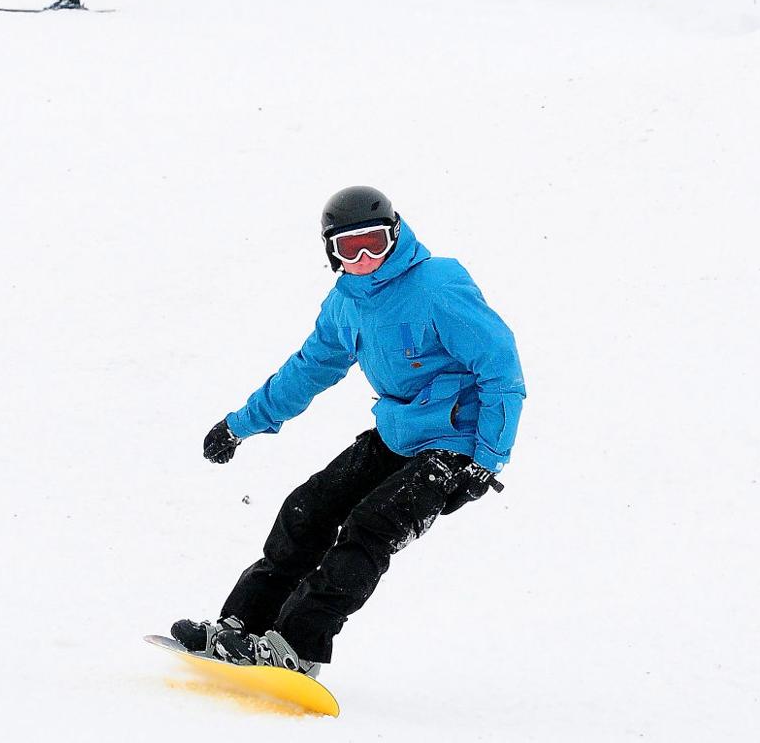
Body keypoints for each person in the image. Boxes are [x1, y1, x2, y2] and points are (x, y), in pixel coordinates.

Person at [172, 185, 525, 677]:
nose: (363, 258)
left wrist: (486, 460)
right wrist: (240, 425)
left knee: (370, 526)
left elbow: (502, 371)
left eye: (374, 244)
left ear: (395, 234)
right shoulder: (345, 305)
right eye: (348, 248)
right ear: (330, 251)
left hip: (454, 446)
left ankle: (297, 647)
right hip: (398, 432)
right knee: (307, 508)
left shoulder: (438, 286)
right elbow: (308, 370)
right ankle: (243, 627)